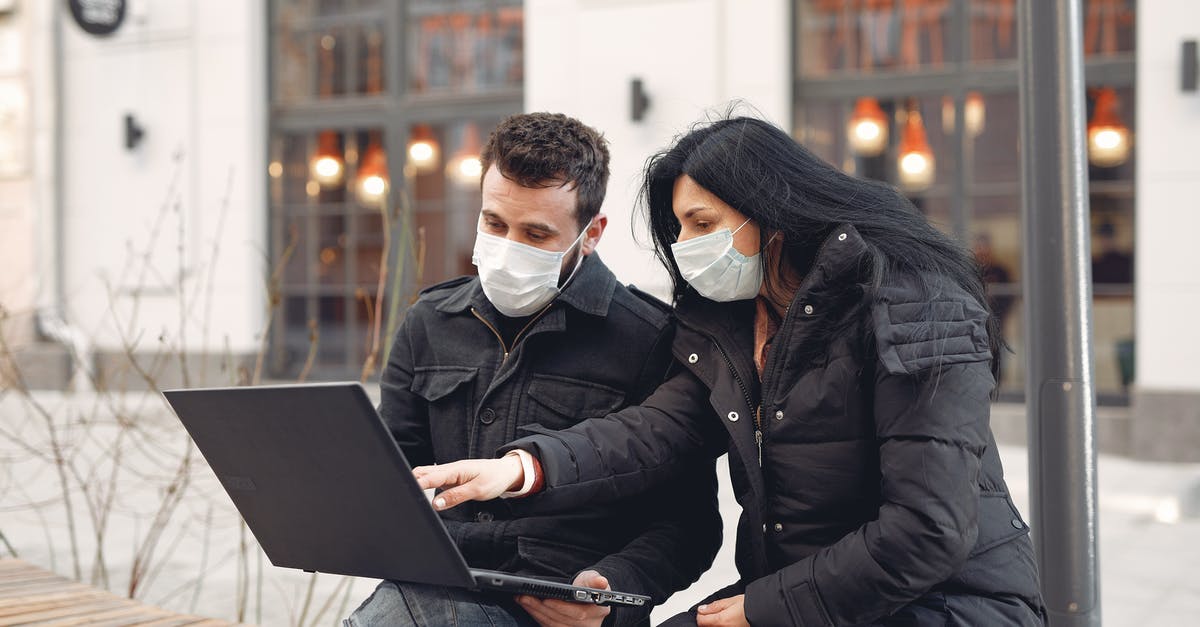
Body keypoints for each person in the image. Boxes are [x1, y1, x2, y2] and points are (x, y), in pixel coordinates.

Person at [415, 116, 1047, 626]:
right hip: (801, 595)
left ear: (769, 211)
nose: (688, 245)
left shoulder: (913, 303)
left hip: (947, 602)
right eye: (680, 228)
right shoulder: (729, 326)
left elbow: (929, 530)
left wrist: (763, 609)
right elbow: (653, 431)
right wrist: (520, 469)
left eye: (703, 223)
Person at [345, 113, 722, 627]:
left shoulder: (651, 339)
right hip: (436, 589)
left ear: (591, 234)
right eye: (493, 223)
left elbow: (690, 525)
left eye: (536, 233)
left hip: (563, 610)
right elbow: (393, 482)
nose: (507, 247)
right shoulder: (430, 321)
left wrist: (612, 591)